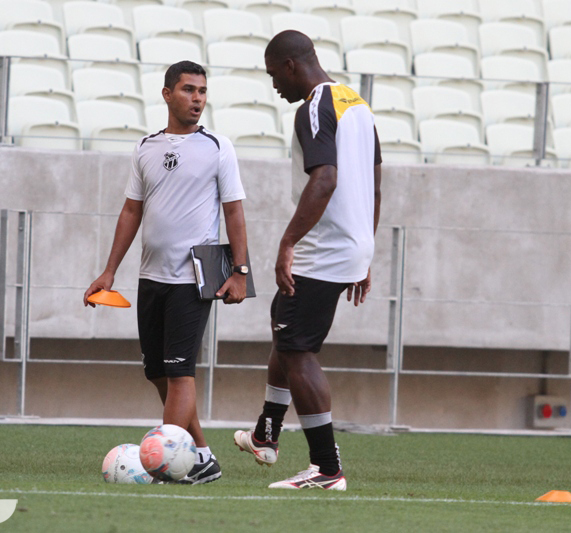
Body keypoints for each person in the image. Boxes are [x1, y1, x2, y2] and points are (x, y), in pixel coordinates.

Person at [85, 60, 249, 485]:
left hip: (194, 279)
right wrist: (109, 271)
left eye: (202, 91)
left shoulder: (218, 146)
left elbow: (234, 211)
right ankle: (203, 457)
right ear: (167, 94)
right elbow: (131, 210)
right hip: (149, 276)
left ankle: (165, 465)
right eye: (189, 90)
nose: (197, 98)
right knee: (158, 372)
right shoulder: (145, 147)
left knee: (180, 373)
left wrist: (241, 271)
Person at [234, 30, 382, 491]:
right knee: (284, 322)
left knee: (299, 350)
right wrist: (366, 250)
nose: (274, 84)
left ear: (291, 65)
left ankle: (326, 468)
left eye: (273, 74)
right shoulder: (356, 104)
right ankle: (266, 433)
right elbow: (374, 182)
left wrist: (286, 243)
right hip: (349, 246)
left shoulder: (313, 107)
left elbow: (325, 179)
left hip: (324, 249)